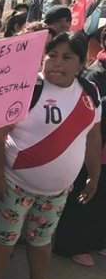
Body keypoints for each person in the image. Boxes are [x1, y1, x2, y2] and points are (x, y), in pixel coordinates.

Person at [0, 33, 102, 279]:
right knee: (4, 240)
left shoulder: (90, 92)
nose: (57, 63)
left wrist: (93, 175)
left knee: (42, 239)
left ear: (81, 63)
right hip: (15, 185)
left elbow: (93, 136)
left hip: (58, 192)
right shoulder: (26, 89)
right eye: (52, 55)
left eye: (66, 57)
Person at [53, 27, 106, 266]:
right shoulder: (95, 76)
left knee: (100, 197)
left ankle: (96, 240)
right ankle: (71, 245)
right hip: (90, 149)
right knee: (82, 198)